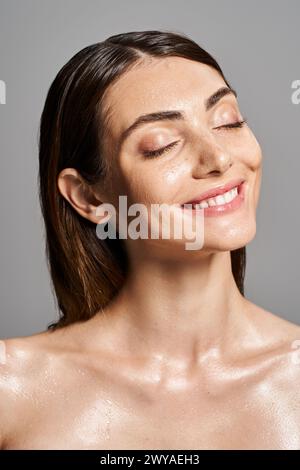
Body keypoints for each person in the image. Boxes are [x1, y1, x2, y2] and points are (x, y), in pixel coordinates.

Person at [1, 30, 300, 450]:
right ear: (88, 196)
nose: (218, 159)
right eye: (162, 145)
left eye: (228, 121)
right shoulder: (11, 387)